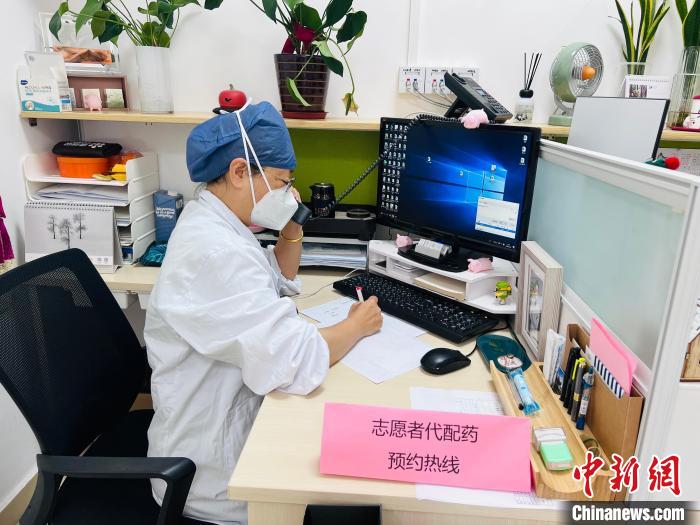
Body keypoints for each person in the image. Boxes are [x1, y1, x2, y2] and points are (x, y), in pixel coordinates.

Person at [145, 101, 383, 525]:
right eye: (281, 182)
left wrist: (291, 226)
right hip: (211, 480)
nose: (289, 193)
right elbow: (294, 359)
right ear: (240, 172)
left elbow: (277, 277)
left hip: (220, 420)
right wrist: (356, 325)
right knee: (355, 503)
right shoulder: (215, 251)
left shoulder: (216, 220)